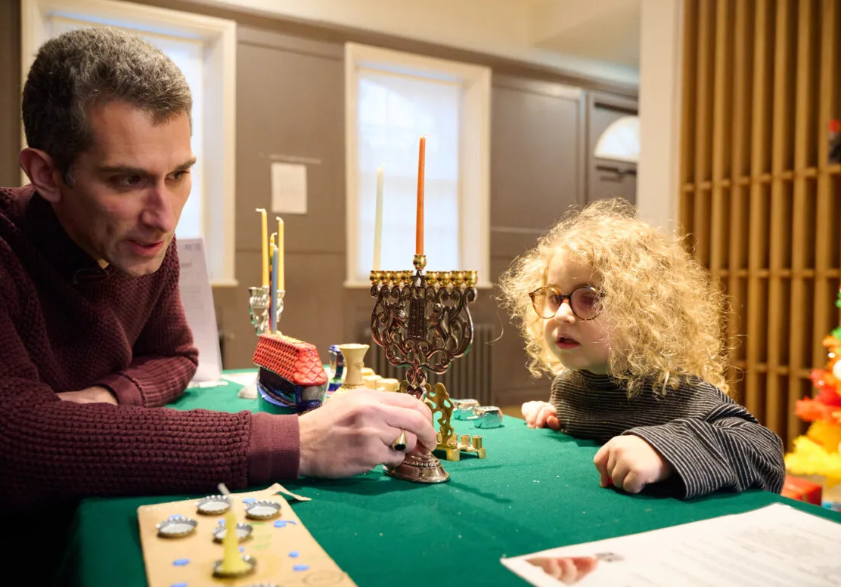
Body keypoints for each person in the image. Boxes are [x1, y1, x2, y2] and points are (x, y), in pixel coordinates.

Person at [0, 27, 437, 517]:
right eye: (127, 179)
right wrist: (298, 442)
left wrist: (108, 395)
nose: (164, 219)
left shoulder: (140, 242)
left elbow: (176, 355)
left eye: (178, 175)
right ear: (46, 174)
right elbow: (16, 437)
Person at [498, 199, 785, 498]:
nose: (562, 314)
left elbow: (765, 452)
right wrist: (556, 416)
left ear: (643, 314)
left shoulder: (681, 395)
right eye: (555, 297)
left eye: (590, 298)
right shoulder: (569, 388)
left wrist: (663, 452)